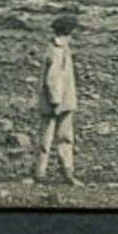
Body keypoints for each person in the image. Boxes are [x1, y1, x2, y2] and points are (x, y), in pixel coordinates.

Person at [33, 14, 80, 185]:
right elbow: (52, 80)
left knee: (55, 137)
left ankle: (48, 171)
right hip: (58, 102)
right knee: (56, 137)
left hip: (61, 101)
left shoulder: (58, 48)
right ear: (67, 33)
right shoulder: (56, 51)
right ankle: (48, 173)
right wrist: (55, 101)